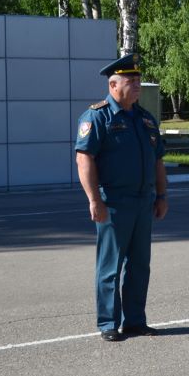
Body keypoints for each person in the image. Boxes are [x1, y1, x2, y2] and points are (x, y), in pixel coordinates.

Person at [74, 53, 169, 342]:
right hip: (113, 203)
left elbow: (158, 161)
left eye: (139, 80)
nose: (137, 85)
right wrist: (94, 200)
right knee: (110, 267)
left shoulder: (145, 118)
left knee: (140, 265)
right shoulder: (97, 116)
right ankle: (108, 323)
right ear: (114, 85)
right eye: (131, 80)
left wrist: (162, 195)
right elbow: (84, 160)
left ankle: (135, 321)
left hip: (143, 201)